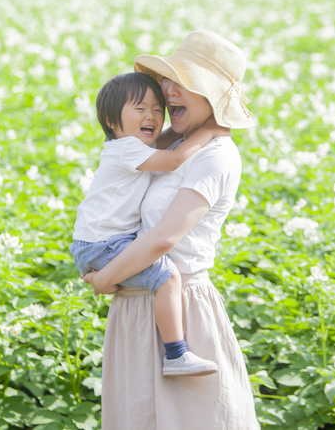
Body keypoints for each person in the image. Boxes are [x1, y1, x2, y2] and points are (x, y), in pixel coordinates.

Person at [82, 30, 260, 429]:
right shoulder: (164, 144)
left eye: (184, 82)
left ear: (212, 98)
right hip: (134, 308)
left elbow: (165, 237)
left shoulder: (215, 154)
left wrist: (104, 278)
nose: (167, 90)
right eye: (169, 80)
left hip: (181, 311)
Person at [70, 72, 231, 376]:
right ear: (110, 120)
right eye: (140, 109)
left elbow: (168, 139)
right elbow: (173, 159)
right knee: (168, 276)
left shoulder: (130, 146)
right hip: (104, 243)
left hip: (98, 241)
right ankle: (176, 354)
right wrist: (208, 131)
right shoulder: (129, 150)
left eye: (158, 110)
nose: (153, 116)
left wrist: (191, 133)